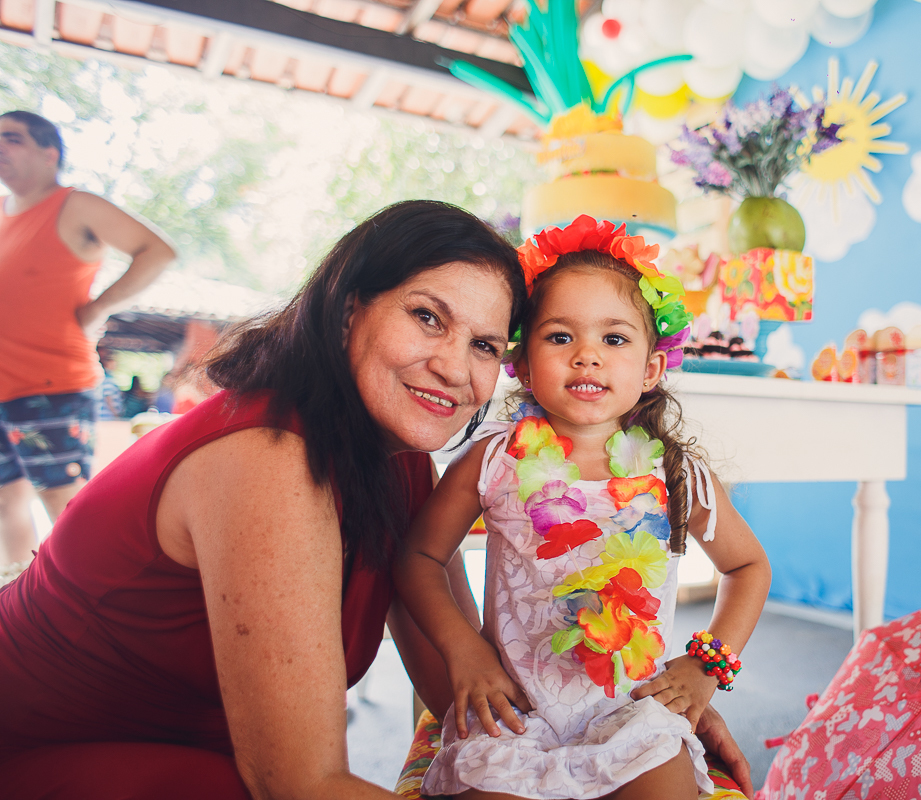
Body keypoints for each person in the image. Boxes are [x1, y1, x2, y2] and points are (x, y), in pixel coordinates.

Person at [0, 201, 750, 800]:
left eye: (485, 346)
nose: (453, 366)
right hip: (51, 752)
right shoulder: (270, 461)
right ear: (350, 306)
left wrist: (633, 719)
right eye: (428, 317)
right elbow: (298, 782)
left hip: (201, 748)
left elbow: (455, 677)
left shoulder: (397, 462)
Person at [397, 215, 772, 800]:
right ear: (520, 362)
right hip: (515, 709)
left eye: (614, 338)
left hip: (634, 711)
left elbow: (748, 567)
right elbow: (418, 555)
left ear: (652, 368)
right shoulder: (493, 460)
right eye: (560, 336)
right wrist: (464, 649)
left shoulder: (678, 476)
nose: (587, 357)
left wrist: (706, 666)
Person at [0, 110, 175, 566]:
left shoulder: (74, 205)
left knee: (64, 508)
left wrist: (99, 307)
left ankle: (90, 619)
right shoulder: (2, 213)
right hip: (2, 390)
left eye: (11, 138)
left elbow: (157, 251)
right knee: (6, 506)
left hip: (50, 387)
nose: (0, 146)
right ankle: (15, 604)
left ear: (49, 152)